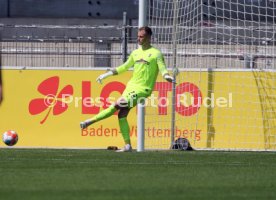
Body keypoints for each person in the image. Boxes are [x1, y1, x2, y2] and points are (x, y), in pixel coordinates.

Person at [80, 26, 174, 152]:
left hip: (143, 90)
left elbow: (162, 68)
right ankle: (128, 145)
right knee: (122, 114)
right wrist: (106, 74)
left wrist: (166, 76)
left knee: (117, 104)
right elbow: (124, 67)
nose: (139, 39)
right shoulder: (135, 53)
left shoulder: (156, 53)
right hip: (130, 87)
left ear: (149, 37)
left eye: (142, 37)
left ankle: (89, 121)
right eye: (138, 36)